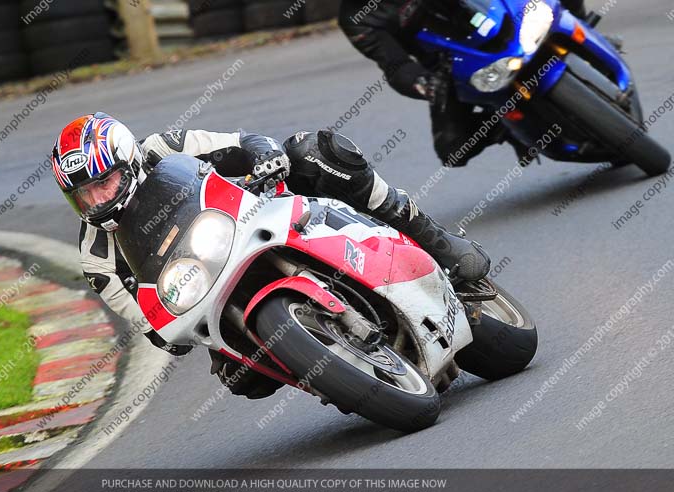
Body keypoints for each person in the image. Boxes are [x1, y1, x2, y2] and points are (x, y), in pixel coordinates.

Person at [51, 113, 490, 398]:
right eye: (83, 195)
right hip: (206, 287)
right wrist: (166, 328)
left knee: (317, 152)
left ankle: (434, 241)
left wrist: (264, 158)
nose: (97, 199)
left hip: (254, 211)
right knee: (242, 378)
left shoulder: (164, 147)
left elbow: (241, 141)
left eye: (103, 183)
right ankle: (339, 373)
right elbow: (149, 324)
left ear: (128, 161)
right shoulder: (95, 256)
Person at [338, 0, 589, 166]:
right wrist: (425, 84)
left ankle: (581, 27)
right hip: (453, 67)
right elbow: (395, 65)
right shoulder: (356, 18)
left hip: (504, 15)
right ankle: (508, 127)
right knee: (452, 148)